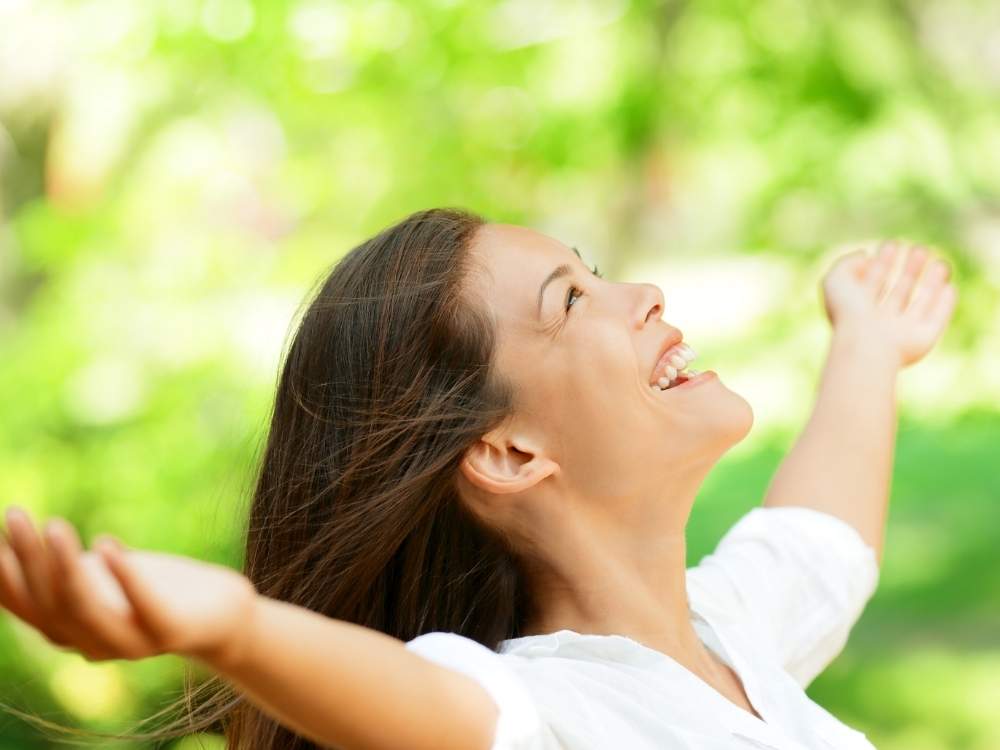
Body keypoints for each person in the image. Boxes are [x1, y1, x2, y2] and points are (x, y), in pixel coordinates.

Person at [0, 207, 956, 749]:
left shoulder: (731, 636)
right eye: (570, 300)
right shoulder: (549, 709)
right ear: (509, 452)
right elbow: (431, 715)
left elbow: (819, 542)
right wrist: (234, 629)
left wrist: (869, 343)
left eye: (592, 271)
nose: (643, 294)